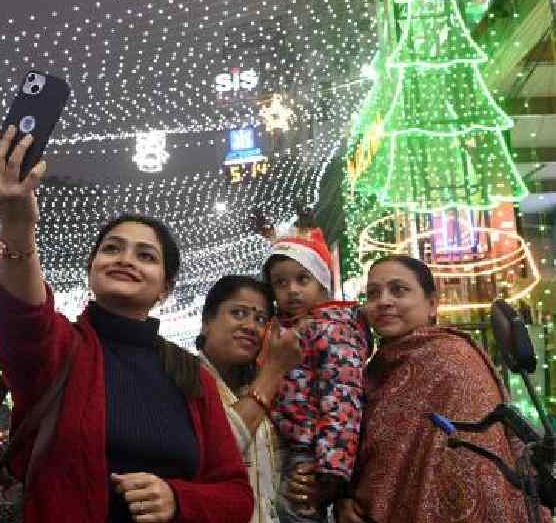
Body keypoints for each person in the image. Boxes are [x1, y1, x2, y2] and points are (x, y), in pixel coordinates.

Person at [0, 126, 254, 523]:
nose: (125, 259)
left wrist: (177, 500)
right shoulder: (58, 349)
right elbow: (20, 315)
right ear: (91, 269)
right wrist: (18, 224)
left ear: (165, 287)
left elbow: (236, 496)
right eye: (111, 248)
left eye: (146, 256)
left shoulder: (192, 376)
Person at [335, 255, 551, 523]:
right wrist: (344, 496)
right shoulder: (374, 369)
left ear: (432, 304)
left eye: (398, 290)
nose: (384, 301)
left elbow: (475, 467)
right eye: (373, 293)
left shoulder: (453, 361)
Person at [262, 217, 371, 522]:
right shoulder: (286, 329)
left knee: (296, 512)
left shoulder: (334, 329)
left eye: (302, 279)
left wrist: (330, 470)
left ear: (322, 282)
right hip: (284, 443)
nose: (292, 290)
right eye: (281, 283)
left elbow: (342, 398)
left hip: (309, 451)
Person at [196, 275, 303, 523]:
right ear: (206, 323)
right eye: (238, 313)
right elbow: (216, 451)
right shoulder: (181, 378)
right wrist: (274, 370)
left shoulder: (273, 388)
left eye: (260, 319)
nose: (250, 326)